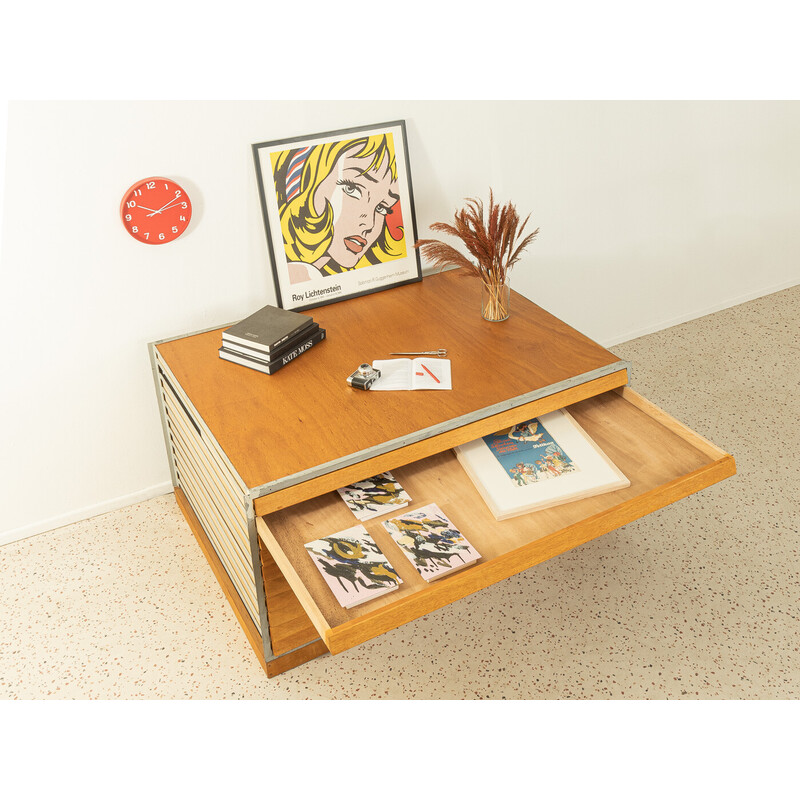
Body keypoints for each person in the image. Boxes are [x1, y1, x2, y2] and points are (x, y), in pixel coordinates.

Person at [271, 134, 406, 283]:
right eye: (352, 189)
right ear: (304, 181)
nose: (369, 224)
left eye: (381, 207)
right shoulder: (292, 278)